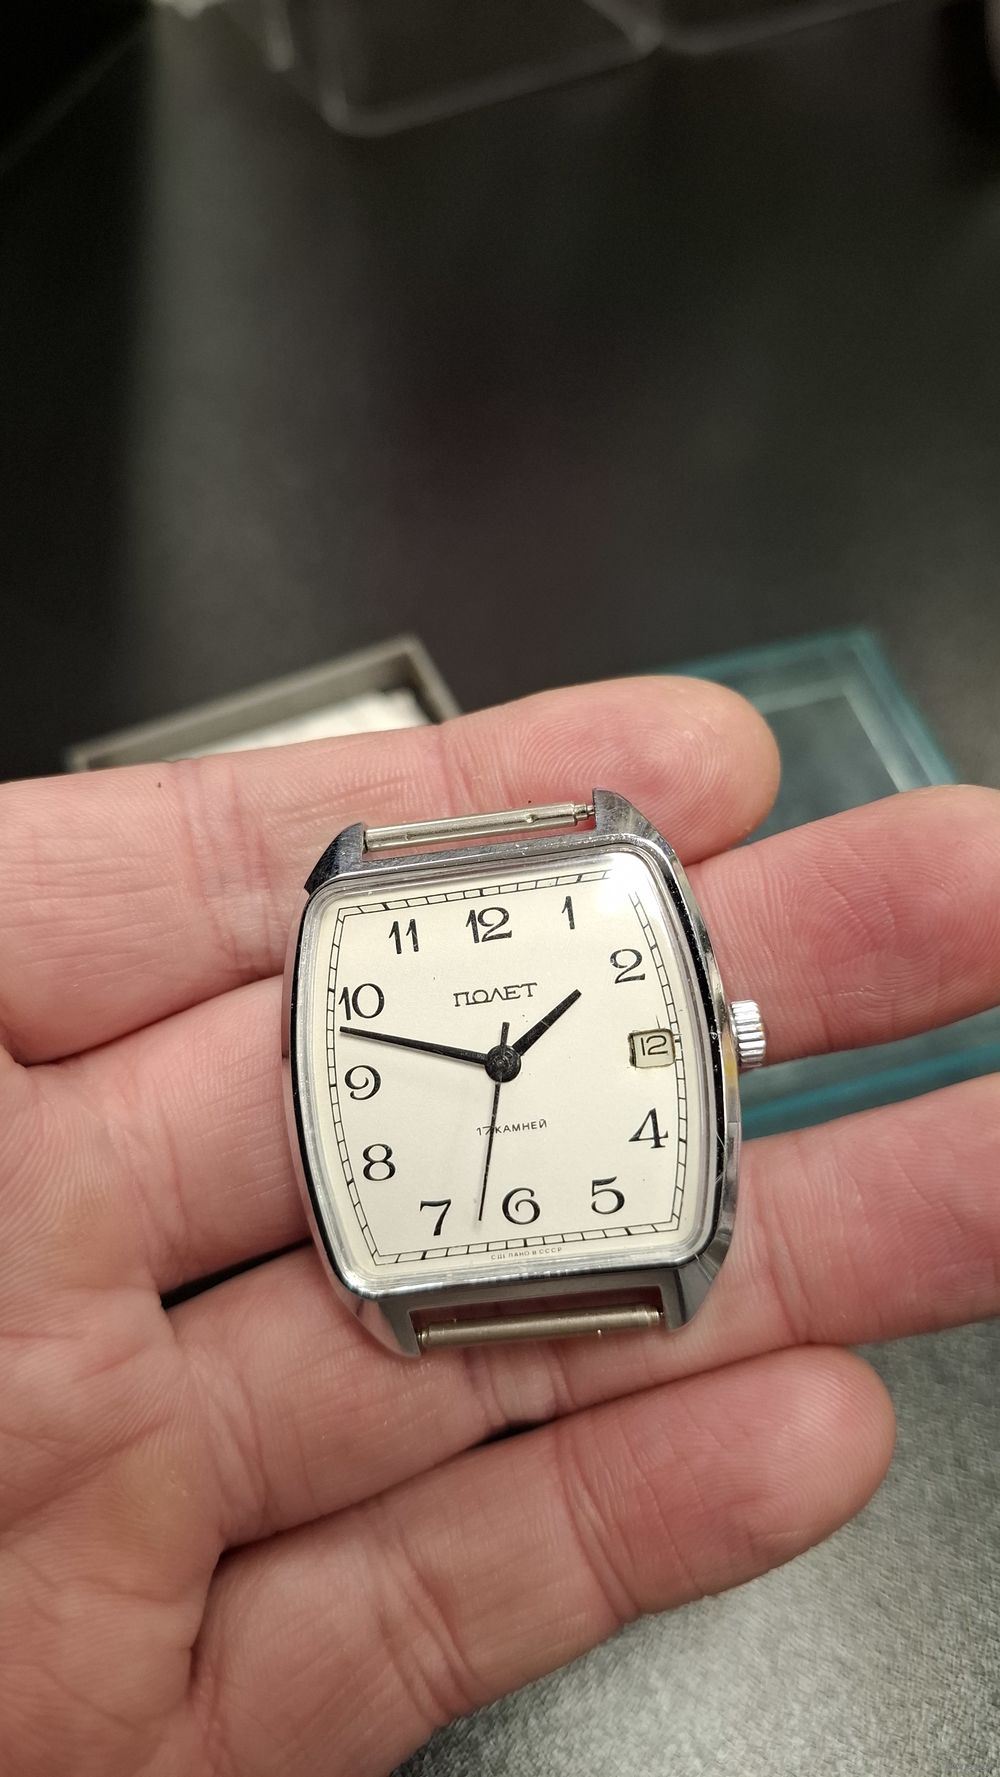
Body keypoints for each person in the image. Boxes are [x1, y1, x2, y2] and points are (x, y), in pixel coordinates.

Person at [1, 675, 997, 1777]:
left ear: (730, 1032)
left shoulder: (618, 877)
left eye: (506, 1054)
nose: (504, 1062)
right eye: (497, 1058)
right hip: (401, 1277)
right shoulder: (389, 922)